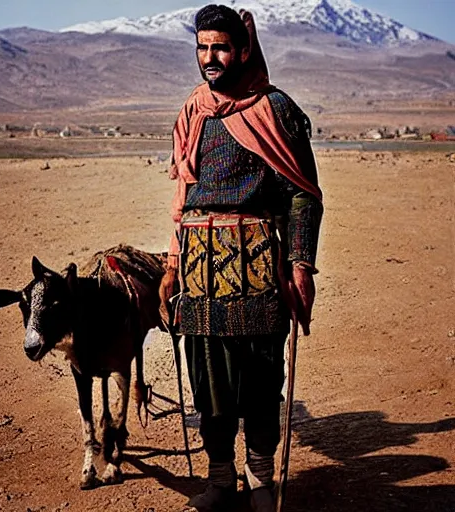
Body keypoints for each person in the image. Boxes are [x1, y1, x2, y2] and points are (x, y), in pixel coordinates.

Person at [159, 5, 323, 511]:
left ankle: (258, 476)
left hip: (256, 270)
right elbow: (183, 195)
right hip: (199, 270)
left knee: (260, 381)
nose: (211, 58)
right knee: (208, 382)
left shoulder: (276, 111)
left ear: (244, 48)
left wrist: (299, 265)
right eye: (203, 47)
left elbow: (302, 195)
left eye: (221, 47)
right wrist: (170, 265)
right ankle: (221, 477)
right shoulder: (194, 110)